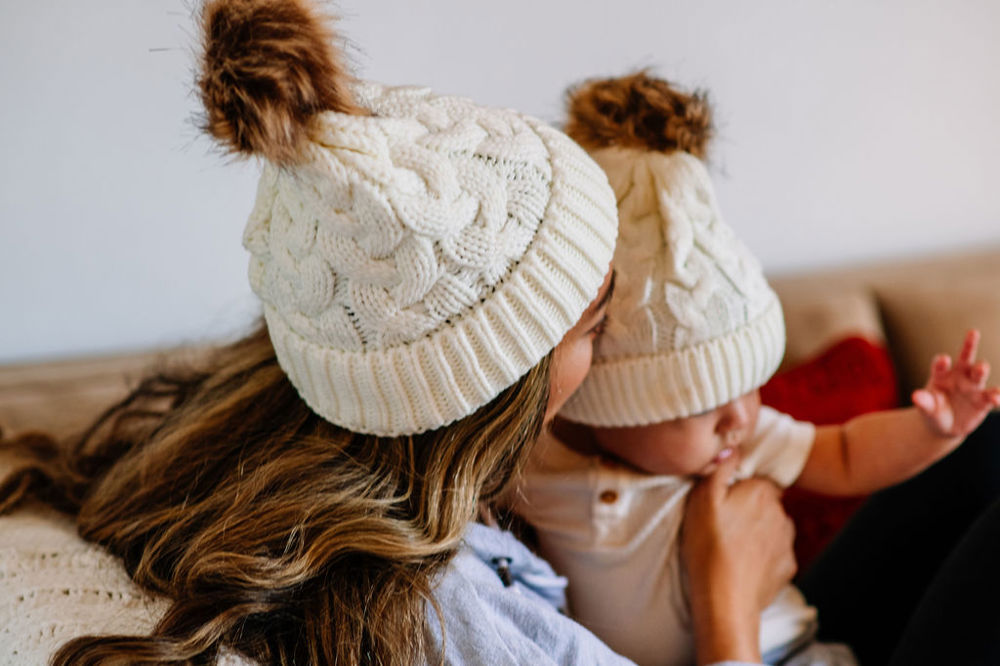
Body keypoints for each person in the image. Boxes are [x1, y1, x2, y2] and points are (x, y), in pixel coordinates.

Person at [0, 2, 796, 664]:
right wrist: (729, 594)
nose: (615, 344)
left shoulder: (236, 458)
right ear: (493, 392)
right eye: (594, 324)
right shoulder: (459, 623)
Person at [513, 71, 1000, 666]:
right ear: (609, 406)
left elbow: (844, 454)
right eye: (703, 404)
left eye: (746, 386)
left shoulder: (737, 443)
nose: (739, 416)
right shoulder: (539, 471)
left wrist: (935, 428)